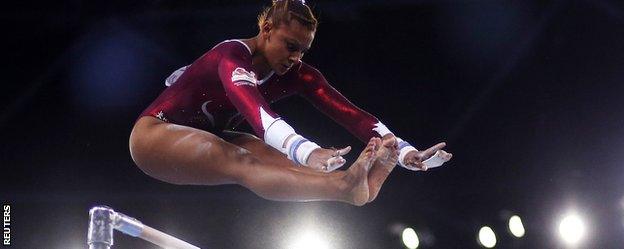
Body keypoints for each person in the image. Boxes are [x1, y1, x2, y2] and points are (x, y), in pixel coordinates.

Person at [129, 0, 452, 206]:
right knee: (246, 159)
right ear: (267, 29)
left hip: (214, 134)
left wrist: (404, 150)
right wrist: (307, 150)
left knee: (281, 162)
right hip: (156, 136)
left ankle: (350, 187)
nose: (295, 57)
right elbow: (254, 109)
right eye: (290, 45)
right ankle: (342, 187)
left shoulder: (299, 74)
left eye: (303, 50)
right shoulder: (230, 54)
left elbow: (351, 114)